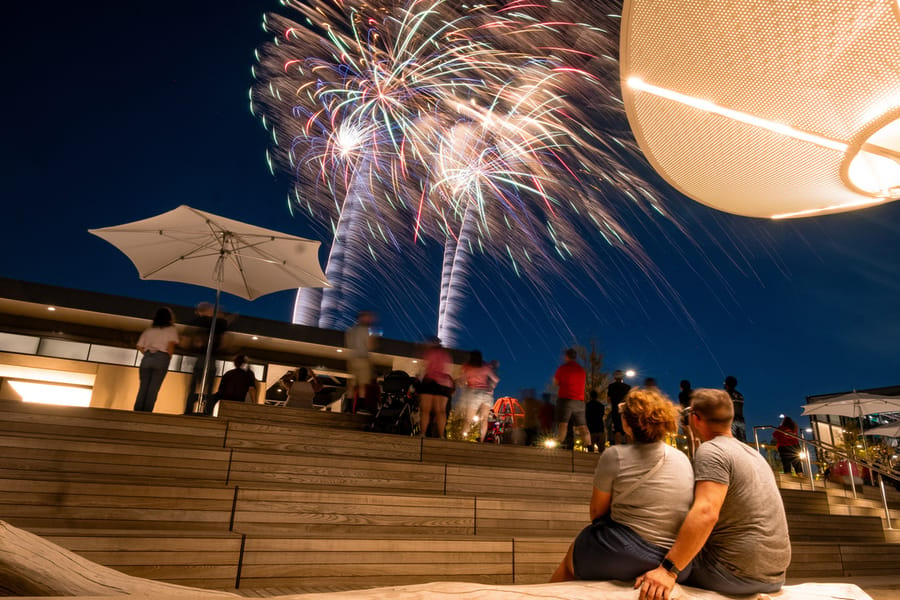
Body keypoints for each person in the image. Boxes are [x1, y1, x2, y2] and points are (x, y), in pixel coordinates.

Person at [635, 388, 790, 600]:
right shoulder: (753, 455)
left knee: (637, 550)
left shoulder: (712, 451)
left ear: (695, 417)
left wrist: (668, 570)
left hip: (734, 574)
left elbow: (706, 512)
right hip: (773, 575)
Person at [550, 388, 694, 583]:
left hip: (625, 554)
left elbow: (596, 512)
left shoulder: (615, 455)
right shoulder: (682, 458)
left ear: (626, 424)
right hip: (676, 561)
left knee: (578, 548)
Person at [182, 301, 229, 415]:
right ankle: (207, 411)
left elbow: (186, 337)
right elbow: (223, 342)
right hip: (211, 358)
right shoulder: (219, 324)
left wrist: (192, 345)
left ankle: (189, 410)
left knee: (194, 385)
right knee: (209, 387)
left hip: (201, 357)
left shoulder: (201, 322)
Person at [133, 307, 179, 412]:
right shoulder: (171, 329)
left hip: (147, 358)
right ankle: (147, 412)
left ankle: (137, 411)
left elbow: (139, 346)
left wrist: (148, 354)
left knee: (143, 386)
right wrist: (167, 357)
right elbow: (170, 346)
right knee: (154, 388)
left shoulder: (149, 329)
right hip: (162, 357)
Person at [455, 350, 499, 442]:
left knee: (468, 419)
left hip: (474, 393)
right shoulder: (486, 366)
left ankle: (464, 438)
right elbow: (496, 379)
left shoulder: (467, 367)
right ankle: (482, 440)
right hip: (487, 394)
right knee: (484, 419)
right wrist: (492, 386)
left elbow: (462, 381)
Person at [418, 336, 453, 438]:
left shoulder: (429, 353)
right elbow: (448, 370)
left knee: (425, 410)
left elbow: (425, 366)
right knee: (441, 411)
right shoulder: (446, 355)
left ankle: (423, 433)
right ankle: (441, 435)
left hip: (430, 382)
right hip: (444, 384)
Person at [554, 348, 590, 448]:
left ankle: (560, 443)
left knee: (563, 424)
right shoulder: (581, 370)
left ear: (566, 356)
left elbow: (556, 382)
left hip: (566, 399)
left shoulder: (563, 368)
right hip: (579, 401)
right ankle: (589, 445)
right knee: (582, 426)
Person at [346, 311, 376, 410]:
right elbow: (370, 346)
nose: (370, 320)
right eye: (369, 318)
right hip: (363, 358)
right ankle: (360, 406)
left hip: (352, 359)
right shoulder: (366, 330)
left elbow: (348, 344)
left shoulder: (351, 330)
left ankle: (348, 406)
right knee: (362, 384)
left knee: (352, 384)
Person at [606, 371, 631, 445]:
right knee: (627, 431)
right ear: (622, 377)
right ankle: (629, 449)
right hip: (625, 411)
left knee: (617, 431)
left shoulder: (611, 386)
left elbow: (608, 400)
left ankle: (618, 449)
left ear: (614, 377)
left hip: (615, 410)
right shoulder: (627, 387)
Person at [723, 375, 746, 442]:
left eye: (724, 383)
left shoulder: (726, 394)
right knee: (743, 442)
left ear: (727, 384)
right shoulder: (740, 395)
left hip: (731, 420)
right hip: (741, 420)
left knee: (733, 441)